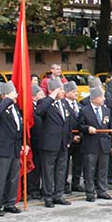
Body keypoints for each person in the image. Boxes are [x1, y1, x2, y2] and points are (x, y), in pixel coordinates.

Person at [36, 78, 72, 208]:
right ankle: (48, 196)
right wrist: (52, 96)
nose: (63, 92)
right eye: (60, 89)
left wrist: (68, 139)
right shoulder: (45, 102)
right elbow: (39, 111)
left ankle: (58, 195)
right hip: (49, 144)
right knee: (48, 171)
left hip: (62, 143)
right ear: (52, 90)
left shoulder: (64, 103)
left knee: (61, 171)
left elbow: (67, 123)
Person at [78, 87, 112, 202]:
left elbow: (109, 127)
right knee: (89, 169)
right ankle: (90, 192)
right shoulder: (85, 110)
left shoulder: (106, 110)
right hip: (90, 144)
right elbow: (80, 125)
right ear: (94, 98)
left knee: (103, 169)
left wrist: (110, 143)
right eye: (101, 97)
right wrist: (87, 128)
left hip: (104, 144)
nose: (103, 99)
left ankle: (102, 190)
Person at [0, 82, 25, 216]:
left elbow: (18, 127)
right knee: (0, 178)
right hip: (3, 149)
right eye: (12, 93)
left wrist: (23, 144)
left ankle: (10, 203)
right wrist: (7, 100)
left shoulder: (15, 108)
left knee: (13, 178)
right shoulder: (0, 107)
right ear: (3, 95)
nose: (16, 96)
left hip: (15, 148)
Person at [63, 81, 83, 194]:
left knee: (78, 162)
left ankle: (76, 183)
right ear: (66, 93)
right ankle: (64, 184)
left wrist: (80, 135)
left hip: (79, 138)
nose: (76, 93)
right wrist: (72, 136)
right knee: (65, 163)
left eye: (76, 91)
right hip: (68, 138)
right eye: (73, 91)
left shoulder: (79, 105)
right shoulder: (64, 105)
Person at [28, 84, 44, 200]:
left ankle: (38, 187)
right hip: (33, 141)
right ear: (33, 96)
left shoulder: (40, 106)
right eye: (40, 94)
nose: (43, 96)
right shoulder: (29, 108)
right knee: (34, 167)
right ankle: (33, 189)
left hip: (41, 141)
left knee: (40, 166)